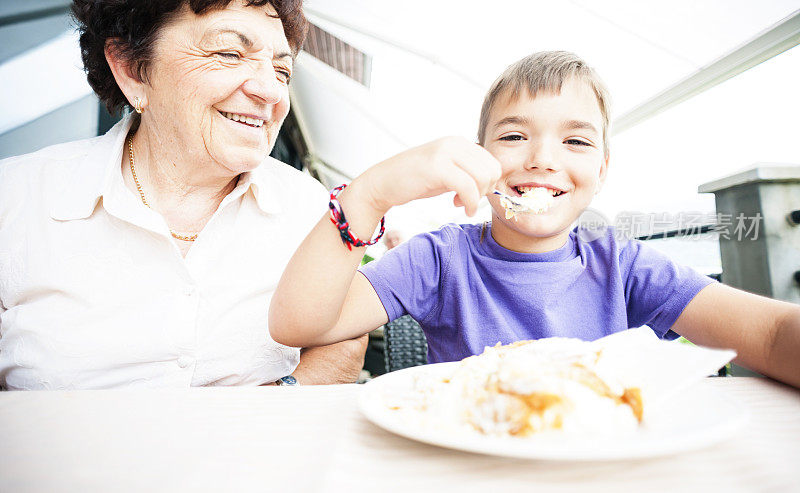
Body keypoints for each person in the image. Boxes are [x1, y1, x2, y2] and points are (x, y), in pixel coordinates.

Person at [269, 51, 800, 388]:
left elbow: (774, 334)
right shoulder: (439, 260)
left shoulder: (624, 265)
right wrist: (370, 194)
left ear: (602, 169)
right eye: (515, 136)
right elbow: (298, 324)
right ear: (478, 158)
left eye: (575, 141)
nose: (543, 159)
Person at [0, 0, 367, 390]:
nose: (270, 92)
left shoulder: (309, 208)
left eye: (282, 70)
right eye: (229, 54)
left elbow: (343, 338)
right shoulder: (16, 199)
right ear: (133, 69)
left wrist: (271, 411)